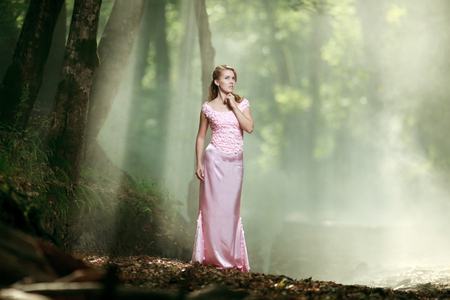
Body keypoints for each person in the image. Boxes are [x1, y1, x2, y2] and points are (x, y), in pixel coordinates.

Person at [191, 65, 253, 272]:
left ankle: (231, 258)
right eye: (227, 78)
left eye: (233, 78)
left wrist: (234, 106)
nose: (232, 81)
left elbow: (249, 128)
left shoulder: (242, 103)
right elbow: (201, 136)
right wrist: (198, 162)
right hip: (214, 161)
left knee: (231, 211)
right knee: (212, 210)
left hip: (235, 164)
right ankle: (209, 256)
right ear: (217, 82)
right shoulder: (207, 107)